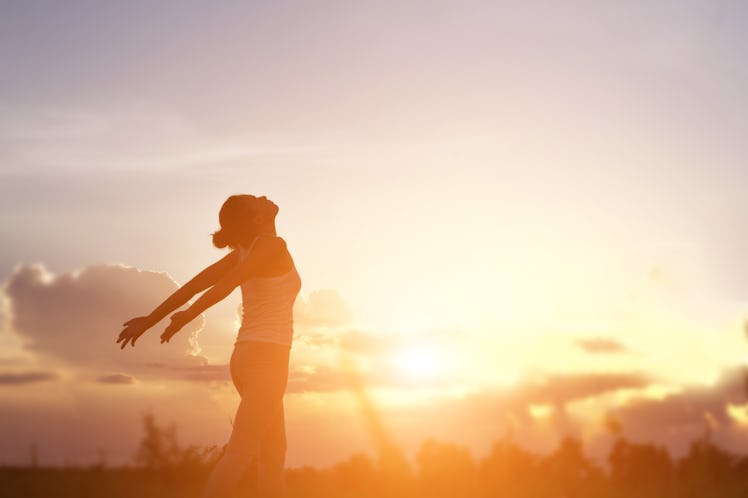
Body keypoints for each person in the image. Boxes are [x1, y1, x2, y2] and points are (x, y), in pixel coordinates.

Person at [117, 194, 302, 498]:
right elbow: (224, 285)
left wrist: (151, 320)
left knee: (273, 451)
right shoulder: (271, 246)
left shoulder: (247, 251)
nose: (264, 197)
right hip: (267, 359)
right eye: (256, 200)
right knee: (241, 453)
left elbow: (193, 285)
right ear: (256, 219)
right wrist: (186, 316)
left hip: (246, 358)